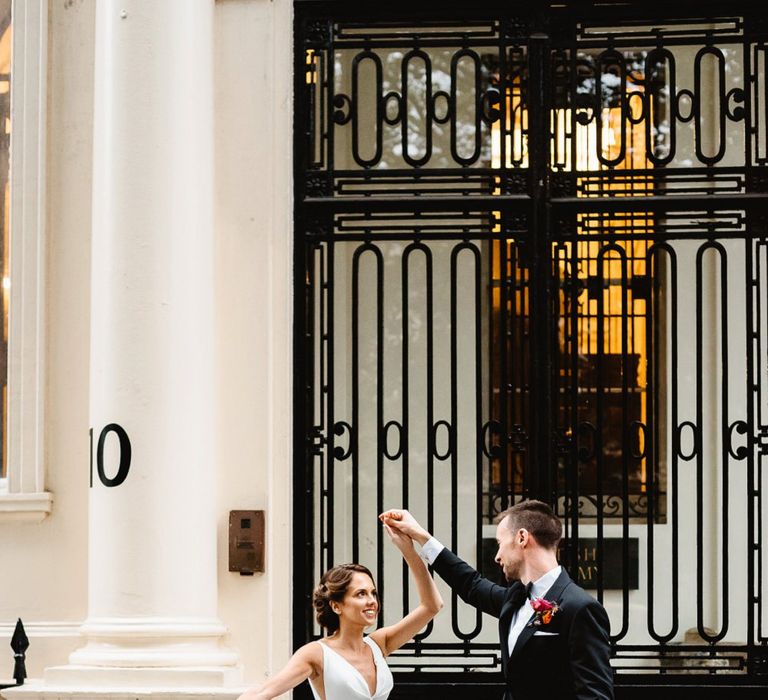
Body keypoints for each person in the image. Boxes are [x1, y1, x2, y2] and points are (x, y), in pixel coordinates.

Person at [380, 501, 614, 700]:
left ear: (522, 537)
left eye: (500, 543)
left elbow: (595, 695)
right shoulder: (515, 597)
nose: (497, 556)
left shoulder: (580, 608)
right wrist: (421, 536)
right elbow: (470, 584)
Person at [237, 521, 442, 700]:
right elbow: (263, 693)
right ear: (336, 606)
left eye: (373, 593)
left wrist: (409, 550)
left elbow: (432, 605)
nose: (372, 601)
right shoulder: (317, 653)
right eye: (360, 594)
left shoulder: (379, 644)